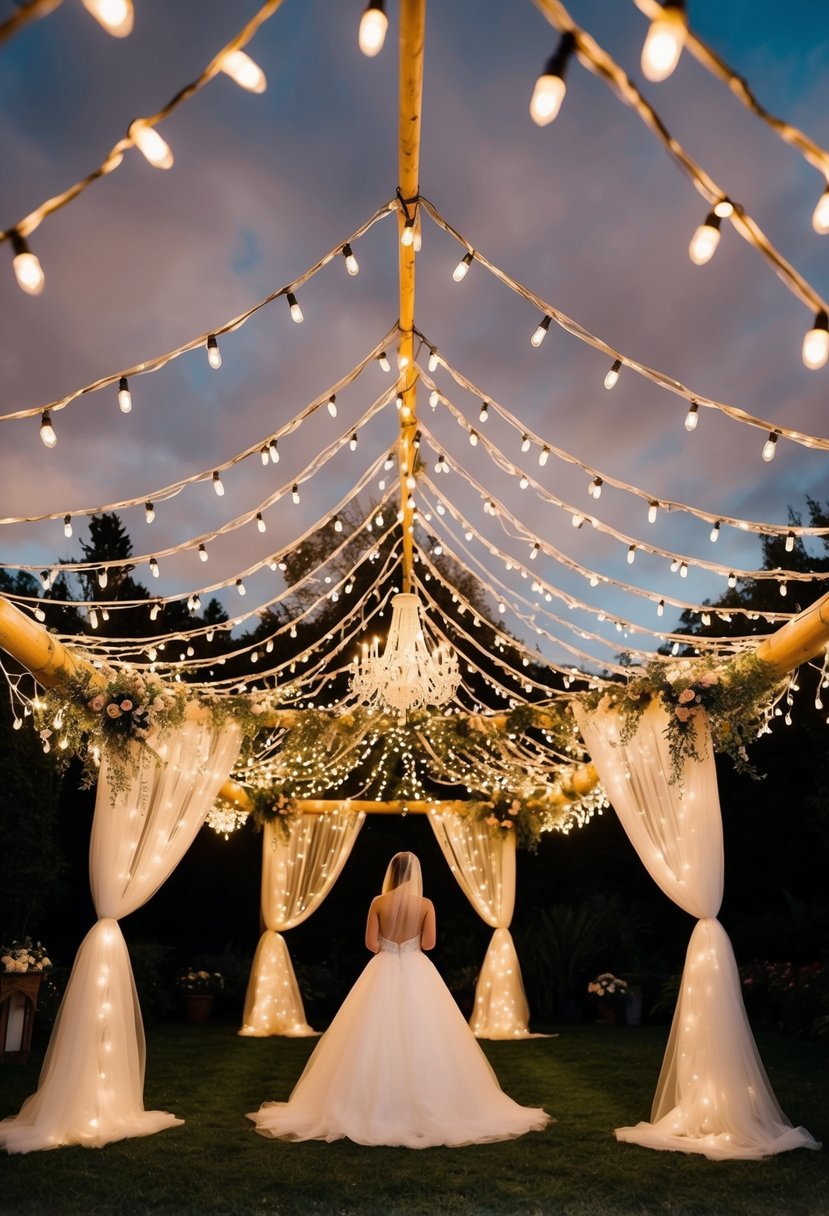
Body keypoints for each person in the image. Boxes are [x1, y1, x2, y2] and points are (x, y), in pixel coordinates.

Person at [247, 851, 551, 1148]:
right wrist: (411, 942)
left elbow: (370, 944)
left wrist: (391, 944)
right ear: (415, 874)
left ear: (392, 874)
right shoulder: (426, 904)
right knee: (426, 1034)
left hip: (383, 968)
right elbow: (429, 944)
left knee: (371, 1035)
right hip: (418, 968)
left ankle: (370, 1105)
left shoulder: (379, 902)